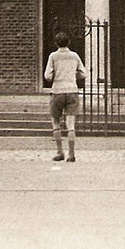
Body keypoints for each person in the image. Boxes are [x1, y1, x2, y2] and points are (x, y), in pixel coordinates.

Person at [43, 30, 86, 161]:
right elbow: (83, 74)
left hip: (57, 91)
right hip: (72, 90)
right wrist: (73, 76)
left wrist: (56, 76)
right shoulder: (74, 56)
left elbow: (47, 76)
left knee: (56, 122)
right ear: (69, 43)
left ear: (56, 43)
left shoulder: (53, 56)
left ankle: (60, 152)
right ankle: (72, 154)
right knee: (71, 124)